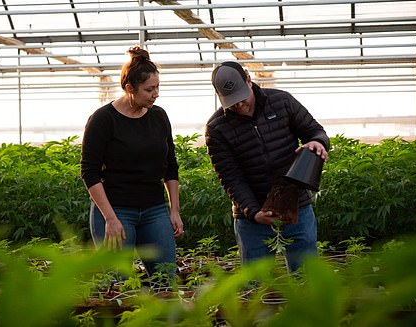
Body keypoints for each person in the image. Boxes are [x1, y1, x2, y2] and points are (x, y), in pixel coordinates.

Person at [205, 61, 329, 272]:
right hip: (252, 220)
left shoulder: (281, 101)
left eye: (242, 98)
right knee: (256, 287)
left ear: (249, 80)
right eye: (232, 102)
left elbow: (314, 130)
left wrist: (319, 142)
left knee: (306, 277)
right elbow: (230, 177)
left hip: (297, 207)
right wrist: (254, 212)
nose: (239, 106)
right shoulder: (216, 128)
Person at [80, 46, 184, 279]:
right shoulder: (103, 120)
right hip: (116, 209)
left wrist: (174, 210)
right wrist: (110, 218)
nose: (155, 93)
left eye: (157, 87)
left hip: (154, 209)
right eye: (149, 89)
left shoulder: (159, 116)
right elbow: (89, 173)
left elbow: (170, 165)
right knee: (120, 284)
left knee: (165, 280)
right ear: (129, 88)